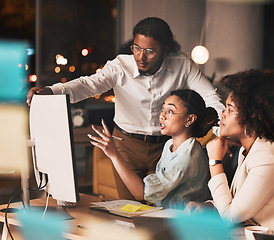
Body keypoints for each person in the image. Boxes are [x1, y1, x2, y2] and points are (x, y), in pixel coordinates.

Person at [26, 17, 224, 199]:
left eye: (150, 51)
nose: (141, 56)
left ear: (165, 50)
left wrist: (221, 131)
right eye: (136, 48)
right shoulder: (120, 65)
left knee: (159, 211)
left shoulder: (183, 65)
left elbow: (209, 97)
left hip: (165, 148)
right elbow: (88, 85)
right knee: (130, 211)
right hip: (126, 146)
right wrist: (51, 91)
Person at [185, 69, 274, 237]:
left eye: (230, 110)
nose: (222, 115)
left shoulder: (268, 157)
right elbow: (239, 201)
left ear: (252, 116)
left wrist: (215, 162)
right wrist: (210, 206)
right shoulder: (250, 148)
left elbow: (231, 217)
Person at [88, 89, 218, 209]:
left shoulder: (186, 156)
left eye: (170, 111)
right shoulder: (170, 145)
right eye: (162, 109)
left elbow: (141, 193)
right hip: (164, 214)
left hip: (180, 222)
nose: (162, 116)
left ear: (190, 119)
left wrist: (114, 155)